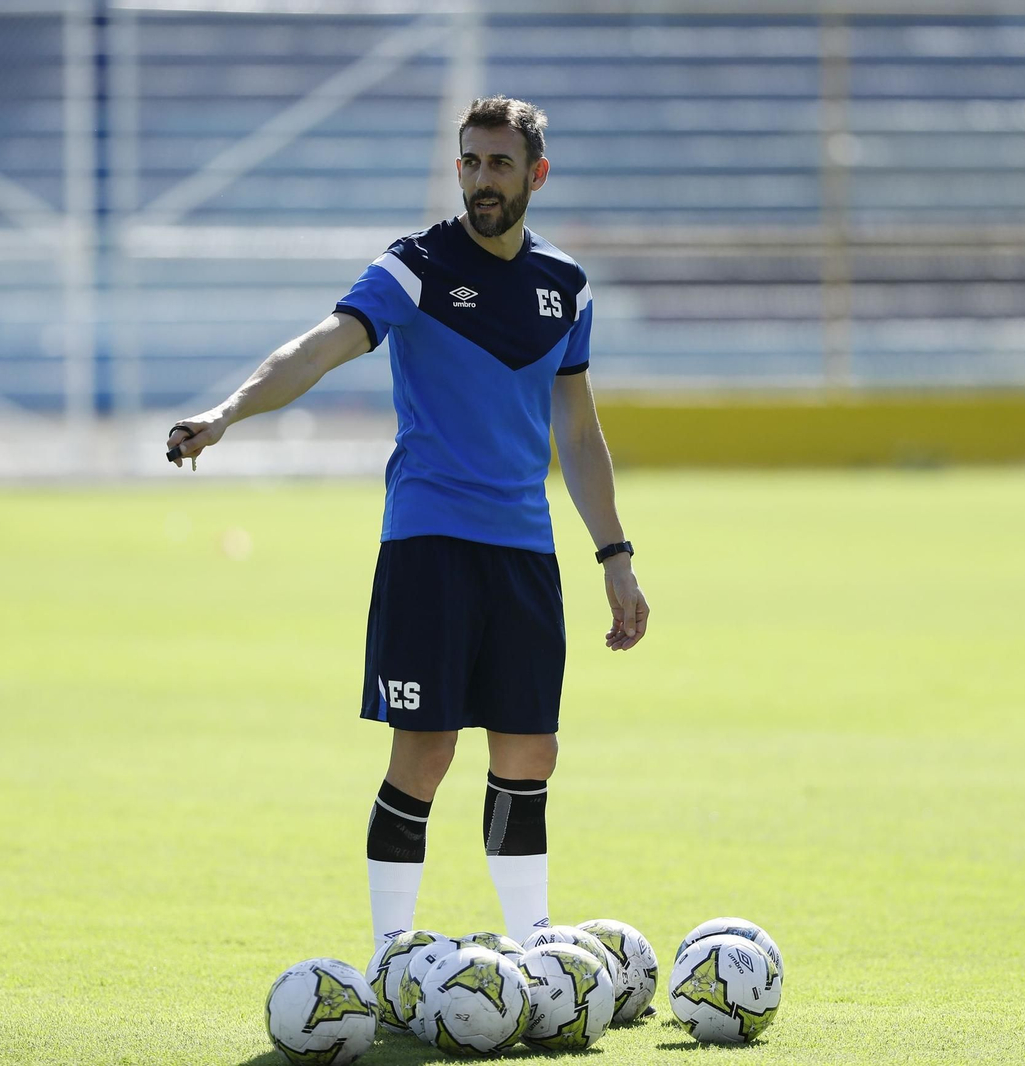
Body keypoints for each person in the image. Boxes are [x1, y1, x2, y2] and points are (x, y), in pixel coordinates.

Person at [165, 96, 649, 953]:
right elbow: (320, 346)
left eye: (499, 164)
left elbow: (578, 432)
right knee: (425, 754)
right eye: (470, 162)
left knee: (530, 752)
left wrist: (615, 555)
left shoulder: (566, 287)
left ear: (536, 174)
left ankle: (536, 945)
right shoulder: (414, 266)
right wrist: (228, 411)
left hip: (525, 548)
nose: (481, 179)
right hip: (430, 543)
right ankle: (392, 951)